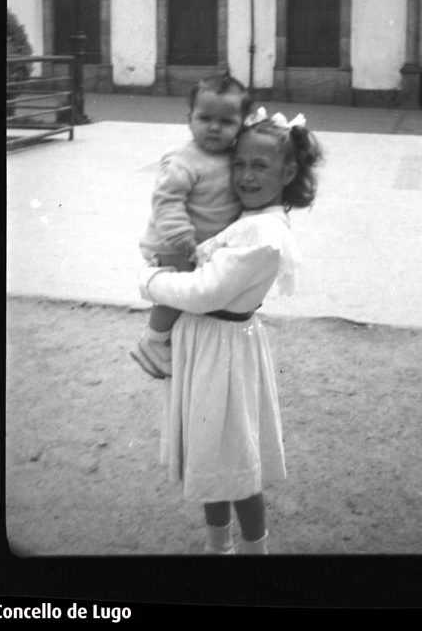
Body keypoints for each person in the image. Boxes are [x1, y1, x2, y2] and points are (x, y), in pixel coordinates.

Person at [138, 108, 323, 554]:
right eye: (238, 164)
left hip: (223, 348)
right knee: (210, 454)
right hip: (208, 346)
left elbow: (204, 292)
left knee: (235, 461)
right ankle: (218, 548)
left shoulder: (264, 232)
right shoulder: (246, 218)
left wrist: (148, 281)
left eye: (259, 166)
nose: (245, 175)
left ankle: (254, 552)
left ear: (289, 171)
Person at [130, 74, 254, 380]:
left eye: (226, 121)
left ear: (242, 123)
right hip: (172, 242)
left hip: (201, 243)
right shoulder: (183, 160)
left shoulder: (235, 157)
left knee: (196, 294)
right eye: (205, 118)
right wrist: (182, 236)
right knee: (177, 292)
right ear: (189, 119)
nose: (214, 127)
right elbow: (166, 200)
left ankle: (175, 338)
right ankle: (154, 340)